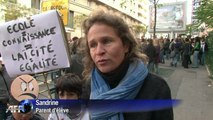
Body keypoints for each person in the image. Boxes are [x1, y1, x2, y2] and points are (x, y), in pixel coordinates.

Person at [82, 11, 173, 120]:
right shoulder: (89, 85)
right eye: (93, 45)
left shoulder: (156, 88)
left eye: (106, 41)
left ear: (126, 45)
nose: (99, 51)